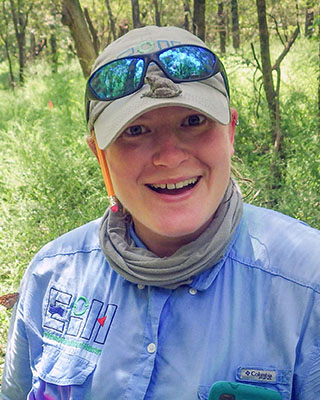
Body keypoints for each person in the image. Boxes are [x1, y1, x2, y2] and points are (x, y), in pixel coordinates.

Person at [2, 25, 320, 400]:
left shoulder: (306, 285)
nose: (169, 156)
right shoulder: (52, 275)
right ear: (99, 156)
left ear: (231, 132)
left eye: (193, 121)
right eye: (136, 130)